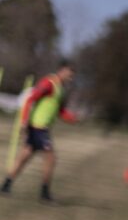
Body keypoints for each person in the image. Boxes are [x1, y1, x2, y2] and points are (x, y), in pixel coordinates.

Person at [1, 61, 78, 201]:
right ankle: (45, 194)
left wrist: (72, 118)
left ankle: (5, 186)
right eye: (70, 74)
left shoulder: (60, 88)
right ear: (62, 70)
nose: (71, 78)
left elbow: (59, 110)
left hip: (41, 128)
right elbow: (30, 99)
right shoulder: (49, 83)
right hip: (38, 128)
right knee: (51, 158)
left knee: (24, 157)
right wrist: (24, 121)